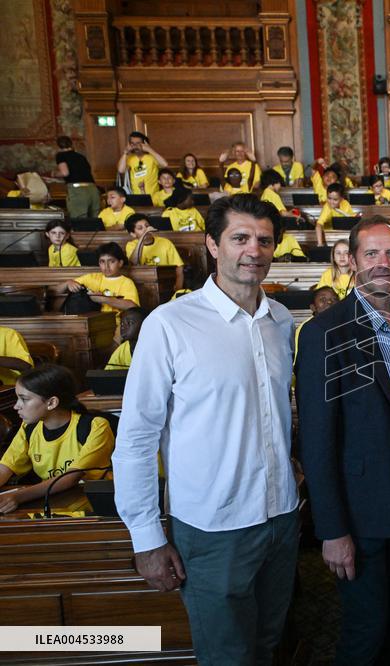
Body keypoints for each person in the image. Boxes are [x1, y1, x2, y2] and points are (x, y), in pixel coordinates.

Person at [113, 194, 299, 665]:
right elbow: (136, 438)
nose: (253, 250)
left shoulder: (281, 320)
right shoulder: (170, 324)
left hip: (281, 517)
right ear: (213, 246)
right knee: (226, 656)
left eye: (264, 240)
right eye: (240, 238)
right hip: (214, 527)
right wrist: (146, 538)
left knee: (267, 645)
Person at [296, 217, 390, 666]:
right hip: (358, 512)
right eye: (372, 253)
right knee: (366, 628)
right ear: (353, 262)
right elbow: (317, 442)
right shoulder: (325, 333)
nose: (384, 262)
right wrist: (331, 529)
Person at [0, 364, 115, 514]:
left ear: (52, 403)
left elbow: (70, 478)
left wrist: (17, 497)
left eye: (24, 399)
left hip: (92, 506)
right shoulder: (29, 428)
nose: (16, 406)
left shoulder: (95, 427)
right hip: (53, 501)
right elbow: (4, 468)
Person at [55, 243, 140, 319]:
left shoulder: (126, 282)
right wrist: (68, 283)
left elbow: (133, 307)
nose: (106, 266)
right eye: (102, 262)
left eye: (111, 261)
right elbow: (54, 291)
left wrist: (104, 299)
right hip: (89, 323)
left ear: (120, 263)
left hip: (115, 324)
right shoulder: (91, 277)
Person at [125, 213, 185, 293]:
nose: (146, 229)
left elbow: (179, 267)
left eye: (147, 226)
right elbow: (133, 263)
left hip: (165, 283)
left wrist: (178, 287)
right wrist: (142, 239)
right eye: (140, 228)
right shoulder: (131, 245)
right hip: (143, 285)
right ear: (133, 234)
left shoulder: (165, 242)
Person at [54, 136, 99, 218]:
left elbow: (65, 173)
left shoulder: (61, 155)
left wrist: (54, 174)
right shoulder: (81, 157)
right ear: (71, 144)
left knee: (79, 220)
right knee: (94, 220)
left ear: (58, 147)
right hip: (93, 189)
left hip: (78, 191)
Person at [293, 286, 338, 360]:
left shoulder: (344, 325)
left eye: (334, 299)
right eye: (323, 299)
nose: (330, 302)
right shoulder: (306, 329)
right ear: (313, 307)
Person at [117, 131, 167, 195]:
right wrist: (125, 153)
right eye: (132, 143)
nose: (135, 146)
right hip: (136, 195)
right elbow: (121, 170)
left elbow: (165, 164)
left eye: (138, 143)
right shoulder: (129, 158)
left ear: (144, 143)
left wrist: (149, 149)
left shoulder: (152, 156)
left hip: (153, 195)